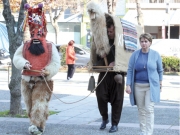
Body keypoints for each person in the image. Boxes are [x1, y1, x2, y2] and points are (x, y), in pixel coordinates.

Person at [13, 3, 60, 135]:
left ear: (43, 32)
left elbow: (56, 63)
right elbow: (17, 58)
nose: (36, 37)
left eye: (38, 34)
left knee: (39, 105)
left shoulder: (50, 46)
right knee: (30, 106)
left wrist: (49, 71)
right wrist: (24, 63)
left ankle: (36, 126)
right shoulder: (25, 45)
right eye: (33, 34)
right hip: (27, 80)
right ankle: (38, 125)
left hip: (43, 81)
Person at [125, 33, 163, 135]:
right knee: (141, 109)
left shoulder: (155, 54)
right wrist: (128, 84)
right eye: (142, 41)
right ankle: (143, 131)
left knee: (149, 109)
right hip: (138, 86)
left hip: (151, 86)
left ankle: (149, 132)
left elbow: (160, 70)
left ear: (150, 42)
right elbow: (130, 70)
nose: (144, 43)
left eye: (146, 41)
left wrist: (160, 83)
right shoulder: (135, 55)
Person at [95, 16, 125, 133]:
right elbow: (96, 57)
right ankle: (104, 118)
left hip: (118, 74)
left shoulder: (121, 42)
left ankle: (115, 124)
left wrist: (116, 62)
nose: (109, 33)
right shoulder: (104, 42)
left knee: (117, 99)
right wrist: (101, 56)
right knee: (100, 95)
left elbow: (127, 58)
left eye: (111, 31)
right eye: (107, 31)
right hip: (105, 73)